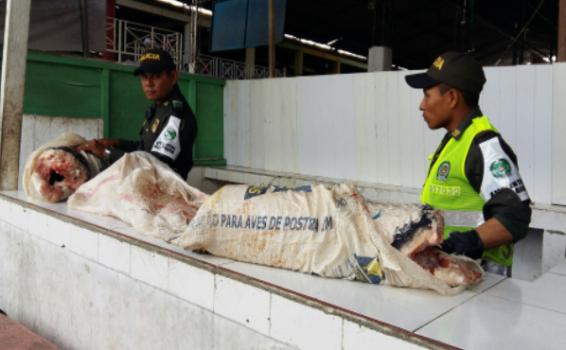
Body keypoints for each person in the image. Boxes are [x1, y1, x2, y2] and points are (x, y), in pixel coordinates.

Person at [404, 51, 531, 276]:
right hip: (454, 274)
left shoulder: (483, 145)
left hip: (482, 282)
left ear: (452, 97)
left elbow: (515, 216)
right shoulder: (457, 140)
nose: (421, 105)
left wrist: (465, 243)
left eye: (427, 95)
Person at [78, 48, 197, 179]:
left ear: (173, 77)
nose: (148, 83)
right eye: (144, 77)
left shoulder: (176, 115)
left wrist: (106, 153)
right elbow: (143, 150)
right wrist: (115, 143)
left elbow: (155, 165)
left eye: (156, 76)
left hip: (165, 193)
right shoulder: (159, 107)